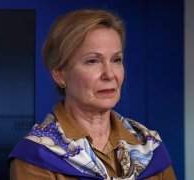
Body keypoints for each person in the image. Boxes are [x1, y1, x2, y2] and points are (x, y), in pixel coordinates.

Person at [9, 9, 176, 180]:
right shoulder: (36, 155)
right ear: (59, 73)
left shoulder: (150, 147)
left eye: (116, 60)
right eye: (93, 61)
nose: (109, 74)